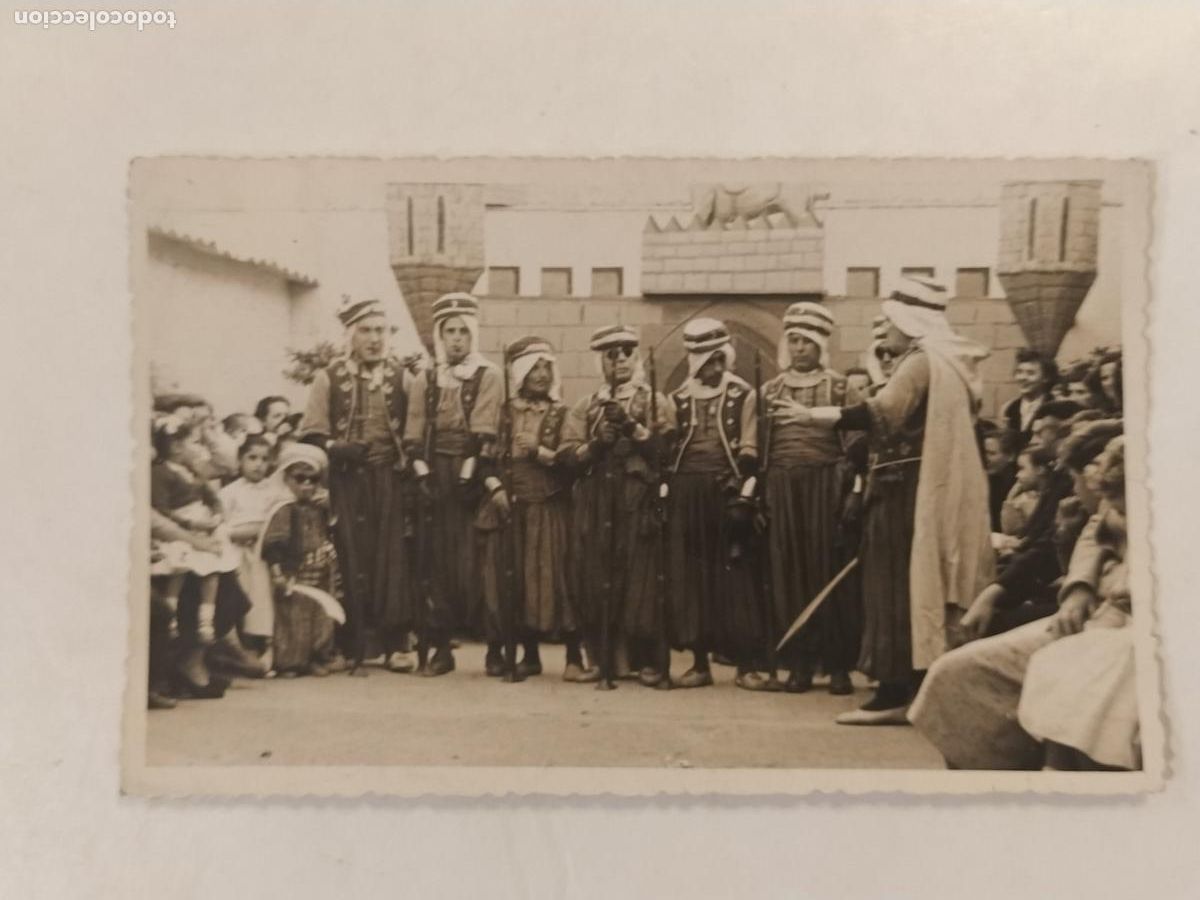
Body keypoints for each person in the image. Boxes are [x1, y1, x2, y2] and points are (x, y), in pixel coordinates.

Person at [777, 277, 995, 723]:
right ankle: (910, 686)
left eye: (890, 321)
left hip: (902, 494)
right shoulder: (943, 362)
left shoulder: (919, 362)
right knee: (909, 586)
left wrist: (814, 415)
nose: (885, 328)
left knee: (891, 586)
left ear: (909, 322)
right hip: (913, 488)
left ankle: (894, 690)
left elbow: (884, 412)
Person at [908, 434, 1129, 769]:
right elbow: (1095, 532)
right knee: (954, 673)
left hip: (1128, 627)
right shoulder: (1124, 468)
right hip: (1094, 610)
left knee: (1066, 684)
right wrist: (1078, 588)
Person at [300, 297, 419, 674]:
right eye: (365, 331)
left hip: (389, 480)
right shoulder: (328, 377)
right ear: (350, 336)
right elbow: (312, 434)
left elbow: (417, 431)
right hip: (345, 482)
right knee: (349, 557)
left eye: (380, 331)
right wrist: (337, 448)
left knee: (392, 559)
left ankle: (396, 644)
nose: (374, 339)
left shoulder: (403, 377)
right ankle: (349, 645)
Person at [560, 324, 672, 686]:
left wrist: (633, 428)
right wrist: (596, 444)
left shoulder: (654, 401)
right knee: (597, 576)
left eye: (627, 352)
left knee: (640, 577)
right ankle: (604, 658)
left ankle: (646, 659)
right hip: (596, 500)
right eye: (612, 355)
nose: (620, 360)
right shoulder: (586, 406)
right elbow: (569, 456)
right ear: (601, 361)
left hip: (637, 498)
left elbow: (665, 452)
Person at [761, 301, 858, 695]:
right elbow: (762, 445)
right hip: (784, 487)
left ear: (820, 344)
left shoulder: (840, 387)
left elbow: (856, 444)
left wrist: (850, 490)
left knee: (827, 570)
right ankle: (799, 664)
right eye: (794, 340)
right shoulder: (771, 390)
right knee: (789, 573)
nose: (799, 348)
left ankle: (837, 666)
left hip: (826, 485)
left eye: (806, 341)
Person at [404, 293, 503, 676]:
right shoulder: (426, 379)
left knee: (479, 563)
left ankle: (494, 648)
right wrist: (422, 475)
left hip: (472, 475)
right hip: (435, 476)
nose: (457, 339)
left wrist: (466, 478)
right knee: (436, 563)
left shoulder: (488, 375)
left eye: (464, 331)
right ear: (439, 336)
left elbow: (483, 434)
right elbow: (414, 434)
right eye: (450, 332)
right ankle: (441, 648)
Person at [666, 318, 766, 691]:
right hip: (686, 492)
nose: (716, 367)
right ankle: (698, 664)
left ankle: (746, 665)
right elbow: (669, 450)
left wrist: (744, 496)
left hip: (727, 491)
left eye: (721, 359)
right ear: (695, 362)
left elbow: (751, 452)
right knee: (692, 579)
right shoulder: (677, 399)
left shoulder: (743, 394)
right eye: (709, 361)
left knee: (735, 577)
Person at [481, 336, 586, 680]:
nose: (541, 374)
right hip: (510, 509)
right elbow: (485, 459)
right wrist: (495, 488)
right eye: (534, 368)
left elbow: (572, 464)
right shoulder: (504, 413)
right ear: (521, 373)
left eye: (546, 367)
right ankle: (528, 656)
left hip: (550, 508)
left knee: (559, 580)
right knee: (515, 582)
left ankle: (574, 658)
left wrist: (539, 451)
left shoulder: (562, 413)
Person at [150, 415, 241, 693]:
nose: (201, 448)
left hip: (199, 529)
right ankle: (184, 648)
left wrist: (217, 515)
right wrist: (193, 527)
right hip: (176, 531)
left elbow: (227, 467)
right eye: (195, 442)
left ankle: (203, 639)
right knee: (184, 569)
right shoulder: (159, 472)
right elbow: (160, 511)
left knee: (223, 571)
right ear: (176, 446)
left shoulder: (194, 470)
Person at [259, 444, 341, 677]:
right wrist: (277, 572)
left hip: (320, 568)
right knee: (292, 617)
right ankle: (291, 662)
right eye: (300, 478)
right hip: (293, 570)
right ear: (287, 478)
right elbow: (274, 543)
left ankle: (317, 656)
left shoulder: (319, 507)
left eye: (312, 480)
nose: (306, 485)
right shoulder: (283, 509)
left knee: (320, 613)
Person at [219, 434, 291, 668]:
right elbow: (222, 524)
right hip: (236, 548)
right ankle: (240, 645)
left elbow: (280, 519)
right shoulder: (230, 492)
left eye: (264, 459)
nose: (258, 464)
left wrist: (260, 532)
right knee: (239, 586)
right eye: (252, 458)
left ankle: (265, 644)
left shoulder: (275, 491)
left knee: (262, 589)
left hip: (263, 550)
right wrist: (236, 533)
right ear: (240, 460)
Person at [1002, 348, 1058, 449]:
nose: (1023, 378)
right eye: (1019, 372)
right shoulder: (1008, 408)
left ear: (1046, 378)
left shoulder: (1055, 406)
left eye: (1030, 373)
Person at [981, 428, 1019, 532]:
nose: (986, 458)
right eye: (985, 453)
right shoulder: (985, 482)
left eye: (992, 453)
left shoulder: (1021, 483)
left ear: (1011, 455)